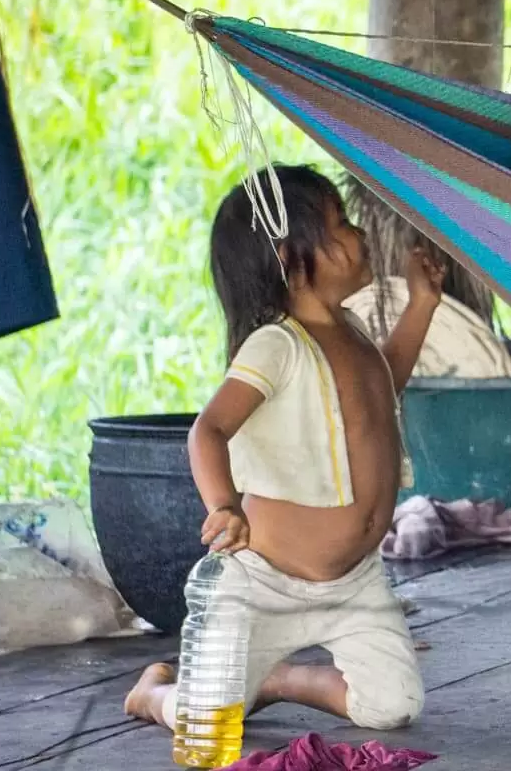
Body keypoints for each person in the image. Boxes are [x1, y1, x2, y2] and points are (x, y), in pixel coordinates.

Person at [124, 165, 440, 730]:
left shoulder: (351, 331)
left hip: (354, 582)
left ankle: (281, 679)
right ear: (288, 256)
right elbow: (208, 429)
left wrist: (422, 306)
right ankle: (153, 694)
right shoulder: (276, 345)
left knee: (393, 708)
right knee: (206, 727)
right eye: (339, 223)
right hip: (263, 583)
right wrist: (224, 505)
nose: (358, 235)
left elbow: (381, 389)